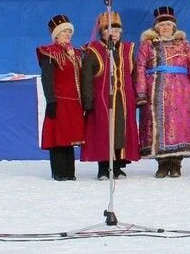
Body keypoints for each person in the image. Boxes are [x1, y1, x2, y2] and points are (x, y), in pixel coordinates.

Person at [135, 6, 190, 179]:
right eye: (162, 25)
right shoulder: (147, 46)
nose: (165, 28)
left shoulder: (184, 45)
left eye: (168, 25)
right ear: (156, 27)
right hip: (155, 90)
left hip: (180, 91)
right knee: (157, 126)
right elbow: (140, 68)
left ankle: (176, 164)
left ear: (174, 27)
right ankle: (162, 165)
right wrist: (141, 92)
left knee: (178, 126)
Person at [80, 10, 140, 180]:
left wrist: (137, 96)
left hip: (124, 98)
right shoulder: (94, 50)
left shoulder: (128, 49)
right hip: (102, 100)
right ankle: (104, 167)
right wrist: (88, 100)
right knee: (104, 132)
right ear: (102, 32)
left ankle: (119, 166)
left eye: (116, 29)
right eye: (109, 30)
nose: (113, 33)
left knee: (121, 131)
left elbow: (134, 75)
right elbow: (87, 78)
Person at [36, 14, 84, 181]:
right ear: (56, 34)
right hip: (59, 100)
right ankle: (58, 171)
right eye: (64, 31)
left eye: (69, 31)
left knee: (69, 138)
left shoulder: (77, 53)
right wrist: (51, 100)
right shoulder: (49, 52)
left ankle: (69, 172)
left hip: (74, 102)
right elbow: (47, 78)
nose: (67, 34)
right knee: (58, 137)